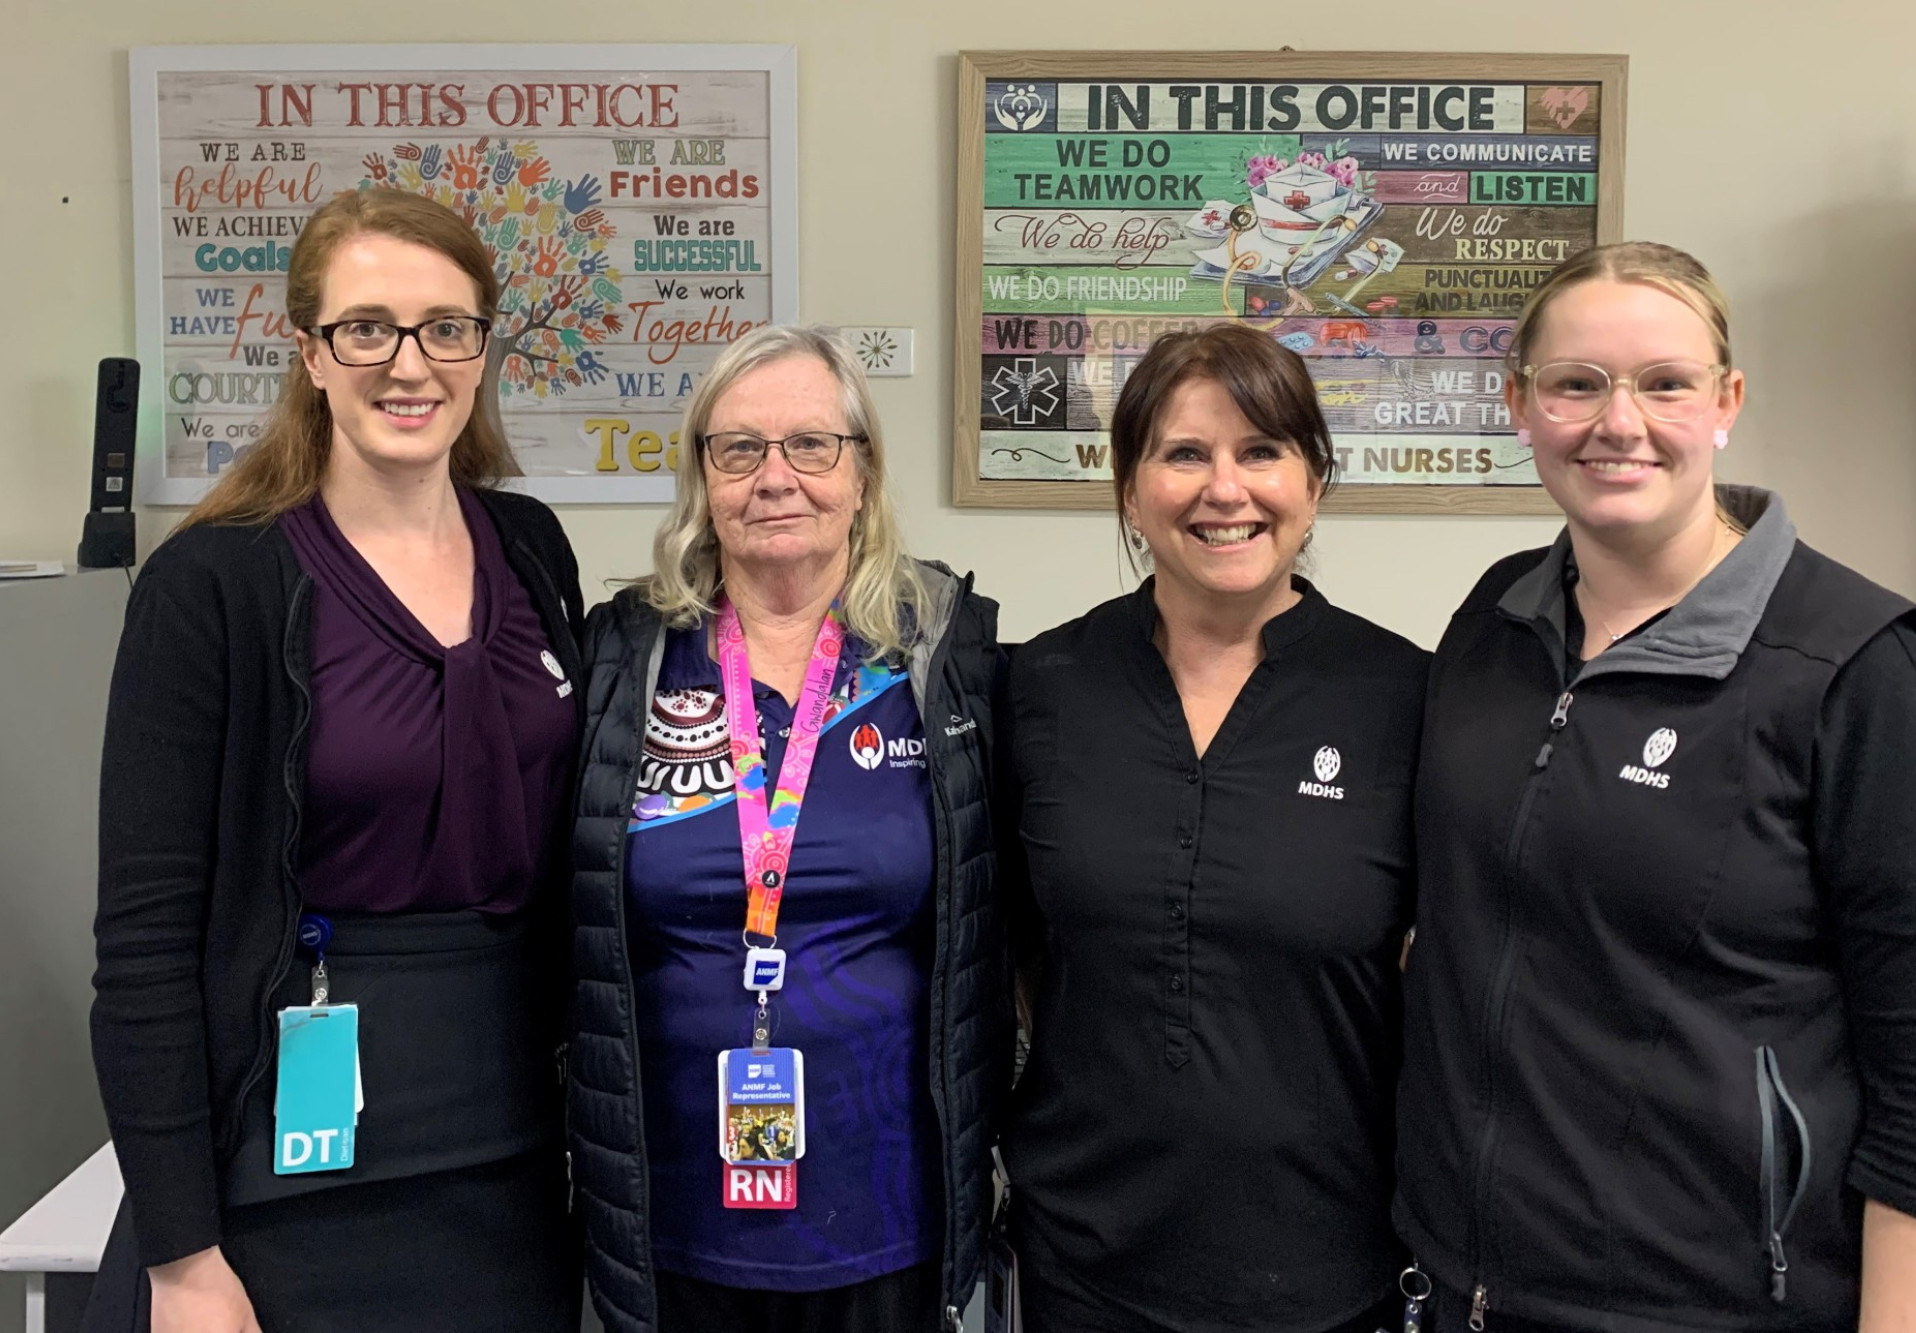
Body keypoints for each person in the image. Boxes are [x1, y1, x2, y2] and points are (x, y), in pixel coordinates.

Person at [1396, 241, 1916, 1331]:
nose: (1616, 422)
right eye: (1575, 383)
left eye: (1662, 383)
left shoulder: (1861, 674)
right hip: (1459, 1288)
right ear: (1518, 405)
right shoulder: (1494, 622)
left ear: (1723, 402)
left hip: (1720, 1304)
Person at [86, 188, 586, 1333]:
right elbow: (147, 942)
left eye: (445, 328)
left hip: (511, 1159)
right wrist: (181, 1258)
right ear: (309, 351)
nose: (408, 364)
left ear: (482, 346)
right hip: (283, 1177)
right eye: (367, 327)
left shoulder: (530, 548)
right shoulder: (213, 586)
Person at [565, 325, 1008, 1333]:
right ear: (702, 479)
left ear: (861, 473)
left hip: (890, 1207)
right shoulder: (620, 662)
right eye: (739, 449)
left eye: (810, 444)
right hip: (666, 1206)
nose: (776, 476)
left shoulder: (941, 658)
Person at [1001, 324, 1428, 1333]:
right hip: (1082, 1256)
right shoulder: (1039, 686)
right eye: (1183, 453)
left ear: (1312, 481)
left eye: (1261, 451)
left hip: (1328, 1264)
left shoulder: (1405, 697)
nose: (1222, 488)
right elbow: (1017, 950)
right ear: (1129, 488)